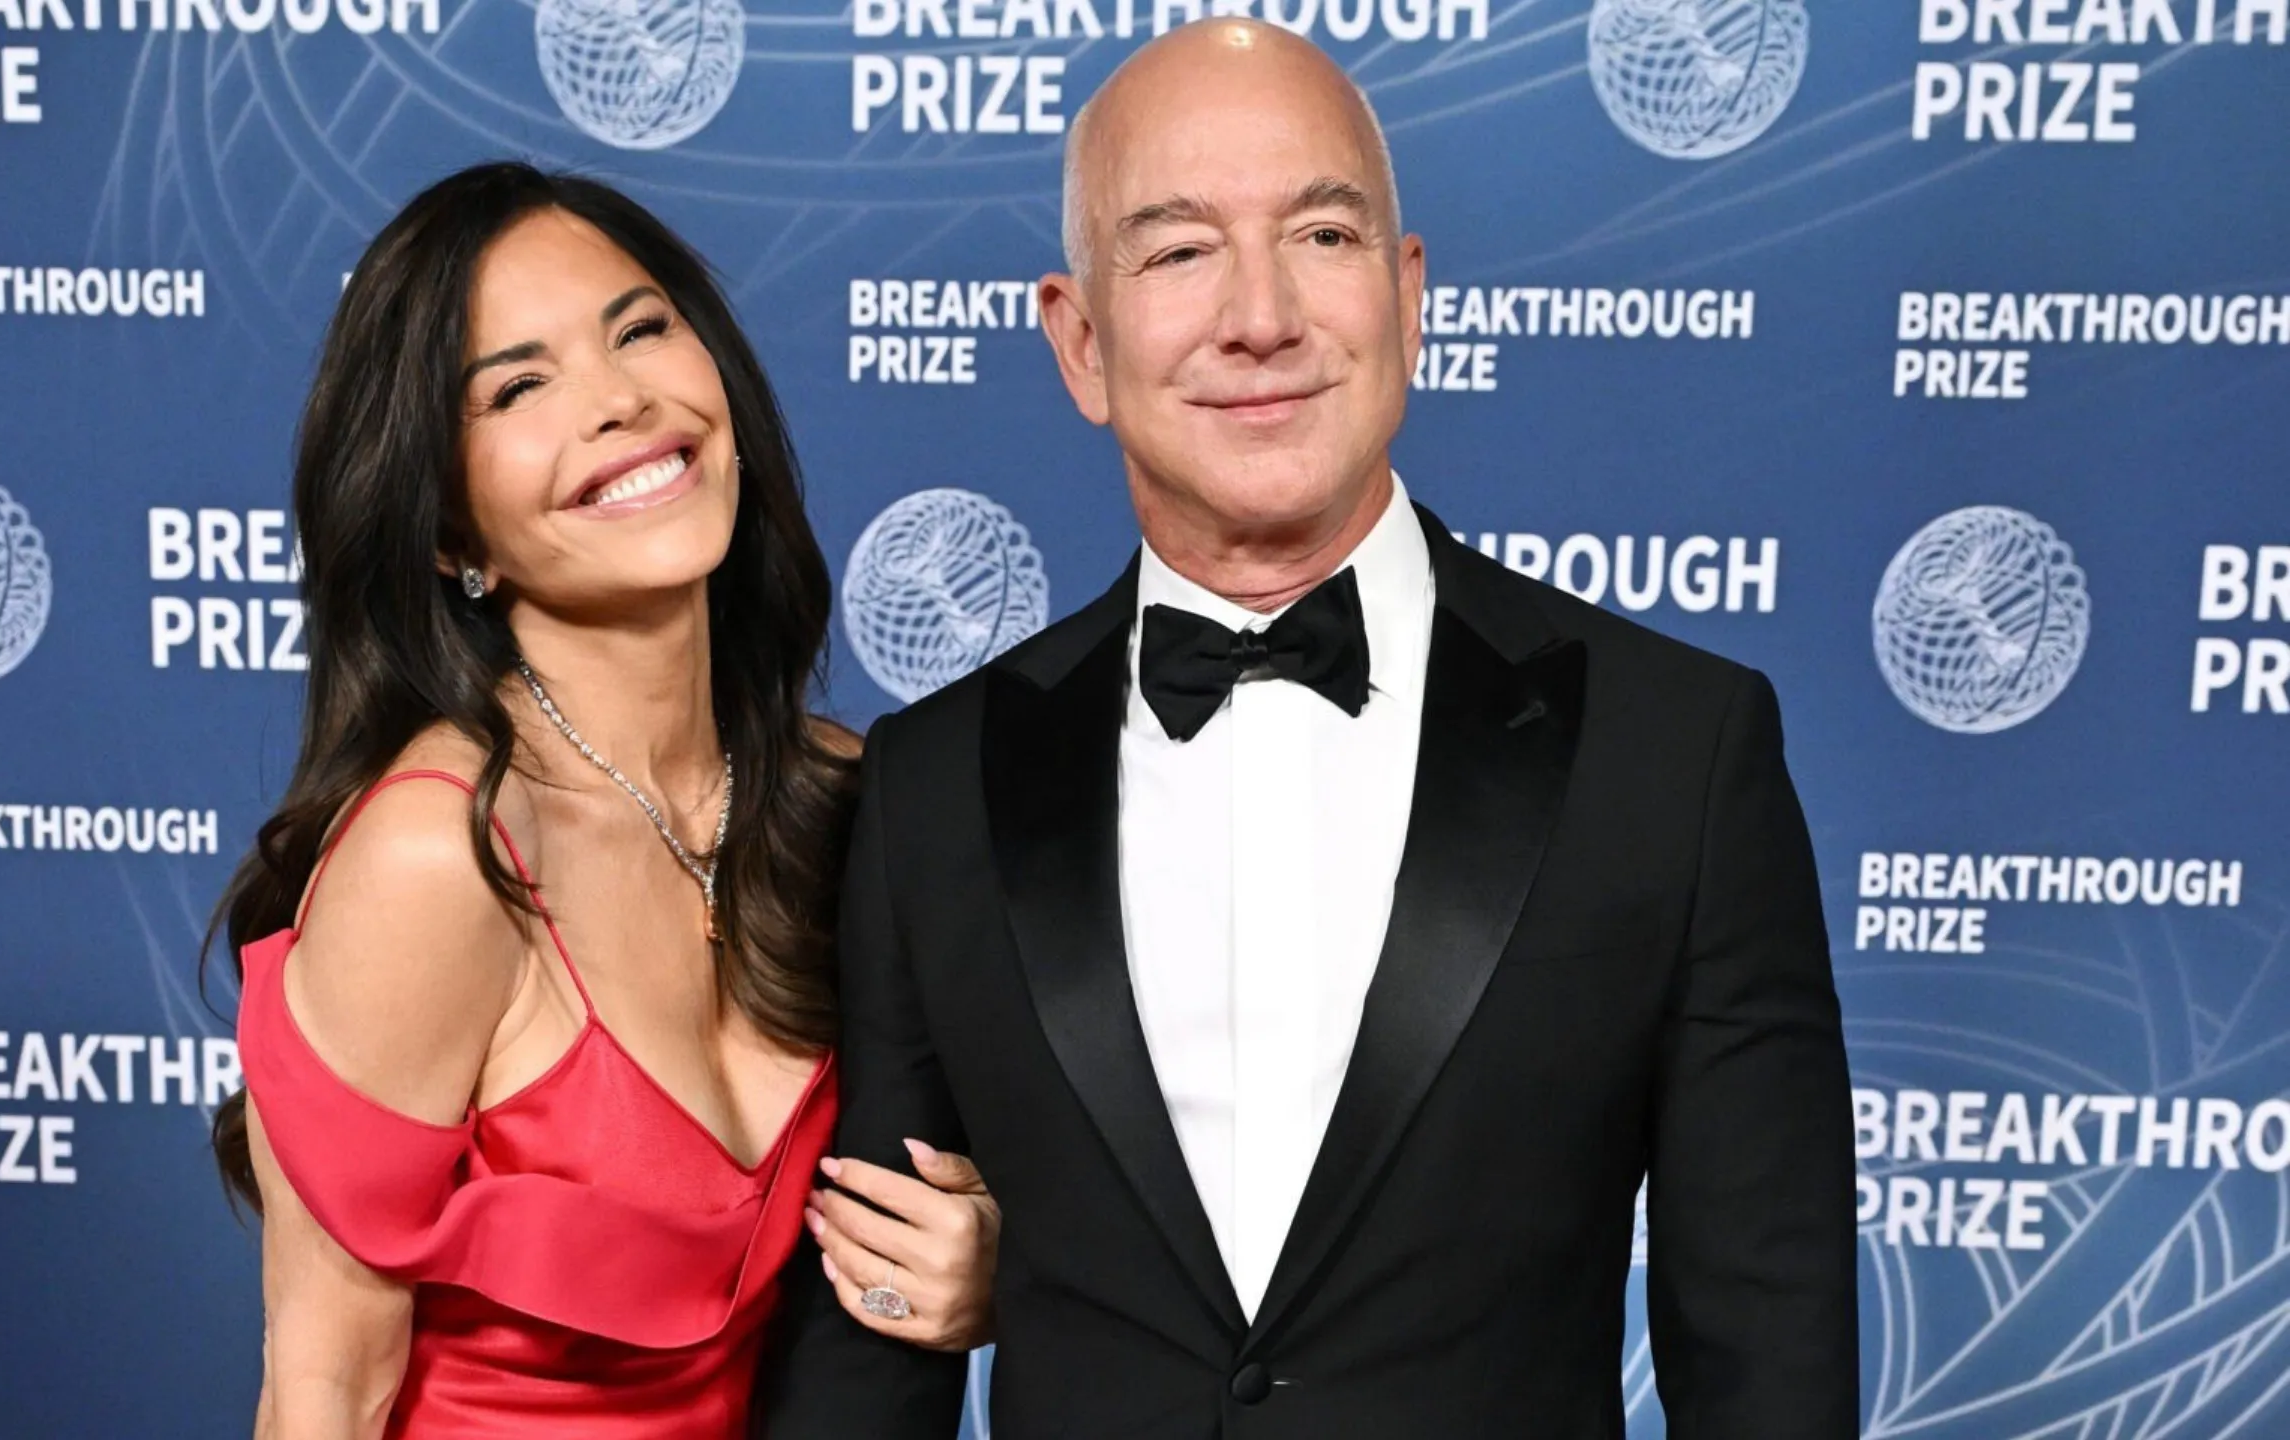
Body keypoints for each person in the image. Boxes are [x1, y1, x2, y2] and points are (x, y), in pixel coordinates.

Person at [765, 19, 1858, 1438]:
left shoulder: (1674, 750)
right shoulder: (935, 784)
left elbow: (1768, 1347)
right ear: (1081, 343)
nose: (1261, 315)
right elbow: (868, 1337)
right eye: (1178, 251)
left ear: (1409, 296)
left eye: (1323, 236)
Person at [209, 162, 1000, 1439]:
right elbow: (325, 1390)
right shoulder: (442, 851)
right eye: (519, 388)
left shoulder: (840, 799)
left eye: (639, 330)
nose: (620, 400)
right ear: (448, 534)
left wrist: (983, 1270)